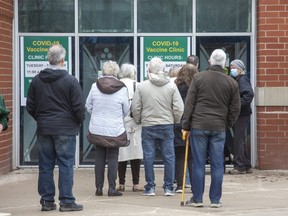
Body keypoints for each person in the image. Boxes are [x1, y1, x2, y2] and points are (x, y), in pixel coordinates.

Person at [26, 44, 85, 212]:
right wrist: (78, 122)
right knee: (66, 164)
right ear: (62, 60)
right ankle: (66, 201)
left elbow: (31, 105)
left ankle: (47, 201)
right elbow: (79, 107)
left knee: (45, 165)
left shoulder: (37, 80)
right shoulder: (70, 81)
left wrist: (41, 118)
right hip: (65, 129)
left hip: (45, 128)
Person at [182, 49, 240, 208]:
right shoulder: (231, 82)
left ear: (209, 61)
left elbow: (189, 103)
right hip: (219, 126)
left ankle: (197, 199)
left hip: (199, 125)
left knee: (199, 163)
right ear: (225, 63)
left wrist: (186, 125)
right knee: (217, 164)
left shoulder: (198, 78)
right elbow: (235, 109)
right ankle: (215, 200)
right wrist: (227, 123)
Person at [131, 57, 184, 196]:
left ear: (148, 70)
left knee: (148, 157)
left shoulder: (142, 86)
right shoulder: (172, 86)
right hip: (166, 124)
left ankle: (150, 187)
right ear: (163, 70)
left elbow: (135, 107)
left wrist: (138, 120)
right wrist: (175, 120)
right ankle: (168, 187)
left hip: (148, 125)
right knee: (169, 157)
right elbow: (179, 107)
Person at [86, 60, 130, 197]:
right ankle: (112, 188)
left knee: (99, 157)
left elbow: (88, 106)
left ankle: (98, 188)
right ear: (116, 72)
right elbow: (126, 110)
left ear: (103, 71)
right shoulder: (122, 88)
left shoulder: (94, 86)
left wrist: (96, 115)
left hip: (97, 129)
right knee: (113, 158)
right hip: (115, 129)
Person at [116, 63, 144, 192]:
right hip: (135, 122)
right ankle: (136, 183)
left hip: (119, 121)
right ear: (133, 73)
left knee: (121, 153)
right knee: (135, 152)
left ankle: (121, 183)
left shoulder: (116, 84)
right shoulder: (137, 85)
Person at [173, 64, 198, 193]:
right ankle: (194, 185)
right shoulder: (197, 87)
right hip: (193, 123)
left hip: (178, 123)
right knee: (193, 157)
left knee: (180, 155)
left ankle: (179, 185)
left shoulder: (175, 86)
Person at [228, 59, 254, 174]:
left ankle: (239, 166)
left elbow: (249, 94)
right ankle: (246, 164)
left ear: (239, 69)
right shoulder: (238, 79)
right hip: (241, 114)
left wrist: (236, 106)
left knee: (238, 139)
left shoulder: (242, 80)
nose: (231, 70)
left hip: (241, 114)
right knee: (240, 139)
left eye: (233, 67)